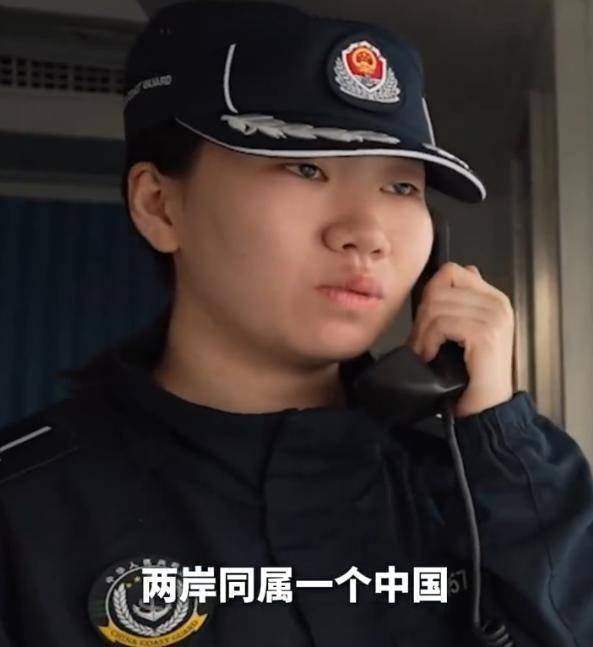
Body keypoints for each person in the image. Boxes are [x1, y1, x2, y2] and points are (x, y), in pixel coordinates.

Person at [0, 1, 591, 646]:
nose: (367, 234)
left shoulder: (481, 483)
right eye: (305, 168)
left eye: (402, 188)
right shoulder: (29, 508)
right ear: (159, 204)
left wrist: (498, 440)